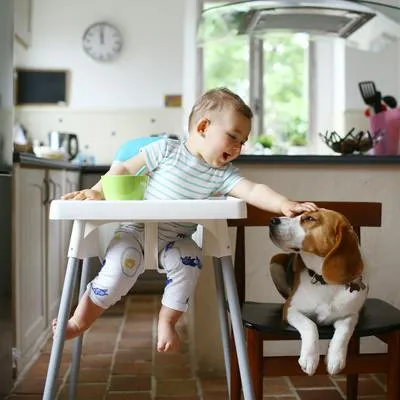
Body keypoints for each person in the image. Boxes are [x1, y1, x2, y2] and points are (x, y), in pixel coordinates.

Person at [57, 87, 317, 352]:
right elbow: (124, 169)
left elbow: (252, 190)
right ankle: (79, 322)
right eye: (233, 137)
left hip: (176, 240)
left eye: (243, 141)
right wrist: (97, 192)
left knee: (189, 261)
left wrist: (285, 204)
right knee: (115, 273)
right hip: (134, 232)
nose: (239, 147)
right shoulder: (165, 150)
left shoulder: (221, 175)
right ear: (203, 127)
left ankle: (168, 320)